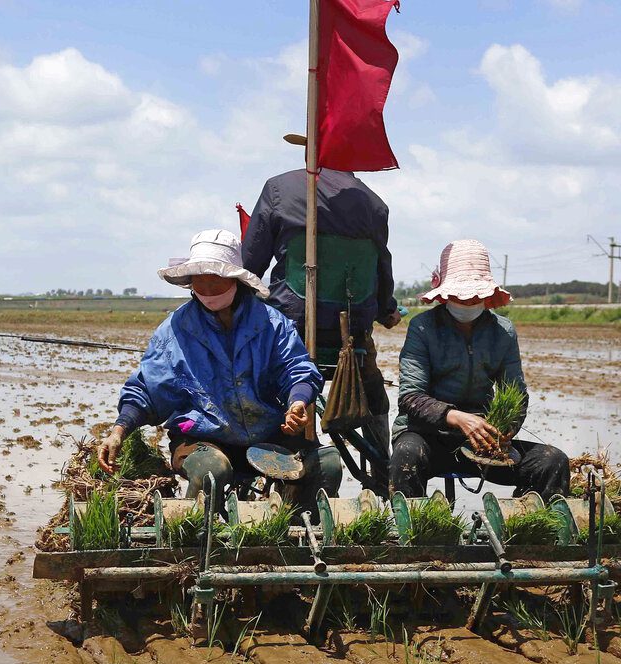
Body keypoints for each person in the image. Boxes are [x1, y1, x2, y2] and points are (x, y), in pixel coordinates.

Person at [97, 229, 342, 516]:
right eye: (200, 283)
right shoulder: (175, 331)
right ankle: (194, 537)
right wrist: (118, 431)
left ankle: (297, 529)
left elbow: (297, 369)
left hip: (267, 433)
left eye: (215, 281)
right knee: (213, 470)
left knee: (327, 464)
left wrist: (297, 402)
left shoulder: (272, 324)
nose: (208, 291)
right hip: (203, 438)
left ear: (234, 280)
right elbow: (147, 390)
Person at [241, 134, 400, 459]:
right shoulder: (375, 205)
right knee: (374, 389)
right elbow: (382, 270)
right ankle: (383, 465)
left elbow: (249, 266)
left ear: (311, 152)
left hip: (290, 335)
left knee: (247, 369)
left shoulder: (278, 189)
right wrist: (387, 310)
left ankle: (258, 445)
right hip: (351, 339)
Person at [390, 239, 570, 500]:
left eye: (475, 295)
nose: (467, 301)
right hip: (428, 437)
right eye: (460, 295)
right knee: (406, 457)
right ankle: (411, 536)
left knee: (552, 461)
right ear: (444, 293)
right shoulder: (422, 328)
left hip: (483, 440)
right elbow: (410, 397)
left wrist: (508, 428)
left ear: (486, 295)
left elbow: (516, 393)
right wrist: (459, 418)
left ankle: (527, 531)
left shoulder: (503, 331)